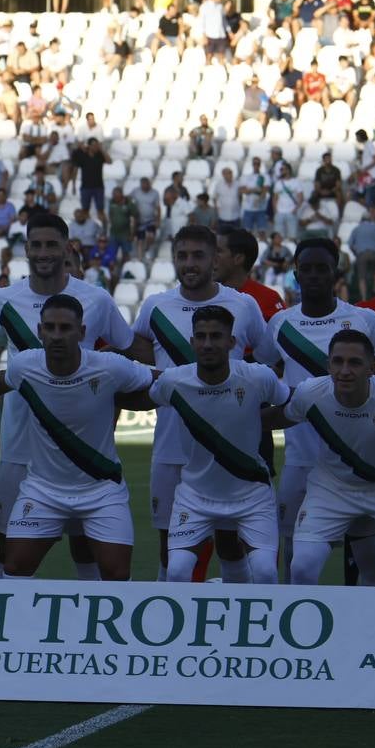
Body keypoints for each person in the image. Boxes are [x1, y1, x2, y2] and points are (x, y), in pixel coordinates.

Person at [0, 214, 148, 579]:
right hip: (18, 442)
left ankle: (86, 610)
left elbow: (128, 348)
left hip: (78, 447)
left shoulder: (96, 299)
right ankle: (7, 609)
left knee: (85, 543)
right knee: (9, 547)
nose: (43, 252)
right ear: (26, 249)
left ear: (67, 248)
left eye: (51, 245)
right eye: (36, 245)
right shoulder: (5, 299)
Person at [254, 238, 375, 584]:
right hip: (300, 458)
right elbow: (263, 372)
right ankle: (296, 615)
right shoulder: (280, 324)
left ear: (336, 272)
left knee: (367, 554)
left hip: (358, 461)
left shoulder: (363, 320)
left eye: (322, 268)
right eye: (306, 269)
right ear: (296, 274)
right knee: (294, 553)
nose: (313, 275)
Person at [132, 226, 268, 580]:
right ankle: (169, 605)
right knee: (169, 543)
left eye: (198, 255)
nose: (189, 263)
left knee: (230, 542)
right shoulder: (155, 306)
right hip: (170, 445)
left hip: (227, 449)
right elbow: (139, 347)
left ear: (214, 259)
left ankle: (238, 605)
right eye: (182, 256)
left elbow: (266, 358)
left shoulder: (242, 304)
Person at [262, 329, 375, 587]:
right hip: (332, 486)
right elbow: (278, 418)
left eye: (355, 363)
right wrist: (231, 416)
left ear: (372, 368)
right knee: (302, 567)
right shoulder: (311, 393)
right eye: (338, 361)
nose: (344, 371)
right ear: (328, 365)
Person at [150, 305, 287, 583]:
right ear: (192, 342)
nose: (208, 344)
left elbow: (288, 404)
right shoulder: (173, 381)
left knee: (265, 571)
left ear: (231, 342)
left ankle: (243, 607)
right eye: (201, 336)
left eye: (216, 336)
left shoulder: (258, 377)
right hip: (195, 494)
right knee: (176, 571)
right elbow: (146, 398)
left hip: (252, 494)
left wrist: (257, 421)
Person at [214, 228, 286, 322]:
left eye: (218, 251)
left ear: (238, 258)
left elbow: (285, 330)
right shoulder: (200, 295)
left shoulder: (269, 298)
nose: (210, 257)